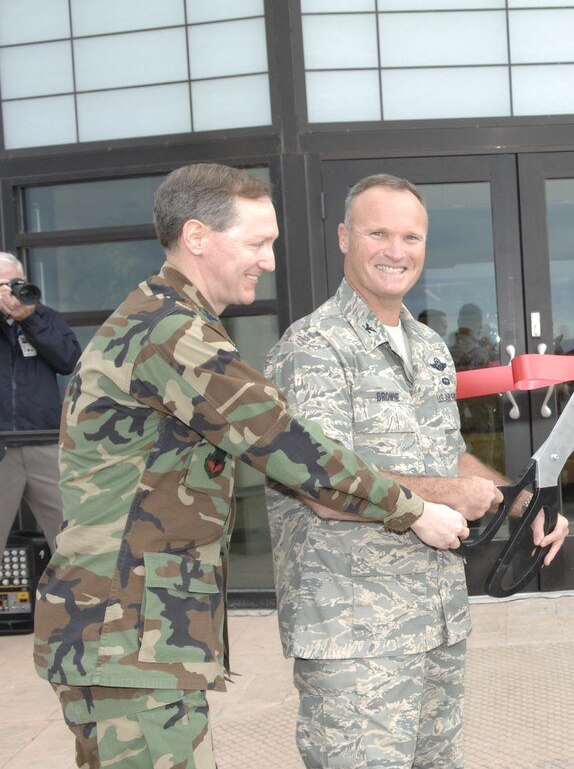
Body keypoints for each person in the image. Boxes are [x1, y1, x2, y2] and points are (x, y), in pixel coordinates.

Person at [33, 164, 471, 769]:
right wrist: (415, 509)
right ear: (197, 237)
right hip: (122, 629)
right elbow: (290, 446)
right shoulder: (171, 334)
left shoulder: (171, 321)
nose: (268, 261)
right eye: (256, 243)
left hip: (135, 629)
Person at [264, 173, 570, 768]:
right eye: (379, 232)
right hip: (355, 633)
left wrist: (519, 502)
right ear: (344, 238)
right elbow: (322, 485)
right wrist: (454, 492)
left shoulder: (428, 345)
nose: (397, 251)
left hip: (434, 618)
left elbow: (447, 455)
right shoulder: (314, 347)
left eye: (412, 236)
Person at [0, 252, 81, 552]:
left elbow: (70, 360)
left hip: (44, 441)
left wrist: (29, 319)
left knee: (71, 539)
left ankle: (76, 600)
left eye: (15, 283)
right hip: (1, 445)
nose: (10, 292)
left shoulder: (43, 317)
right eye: (1, 286)